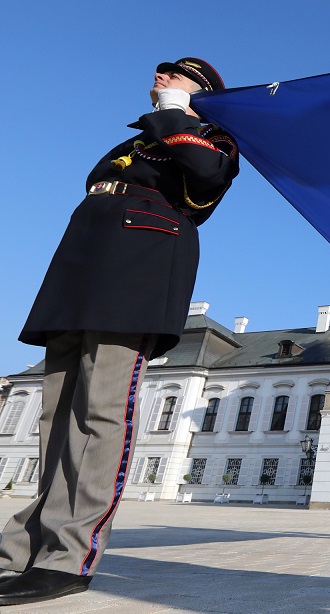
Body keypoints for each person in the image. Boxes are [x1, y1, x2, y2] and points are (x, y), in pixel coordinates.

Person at [0, 58, 238, 606]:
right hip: (81, 270)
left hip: (138, 270)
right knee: (56, 419)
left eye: (175, 76)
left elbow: (203, 186)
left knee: (101, 415)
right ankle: (22, 548)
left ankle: (69, 557)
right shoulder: (135, 140)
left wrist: (177, 118)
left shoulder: (212, 136)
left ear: (199, 93)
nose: (160, 77)